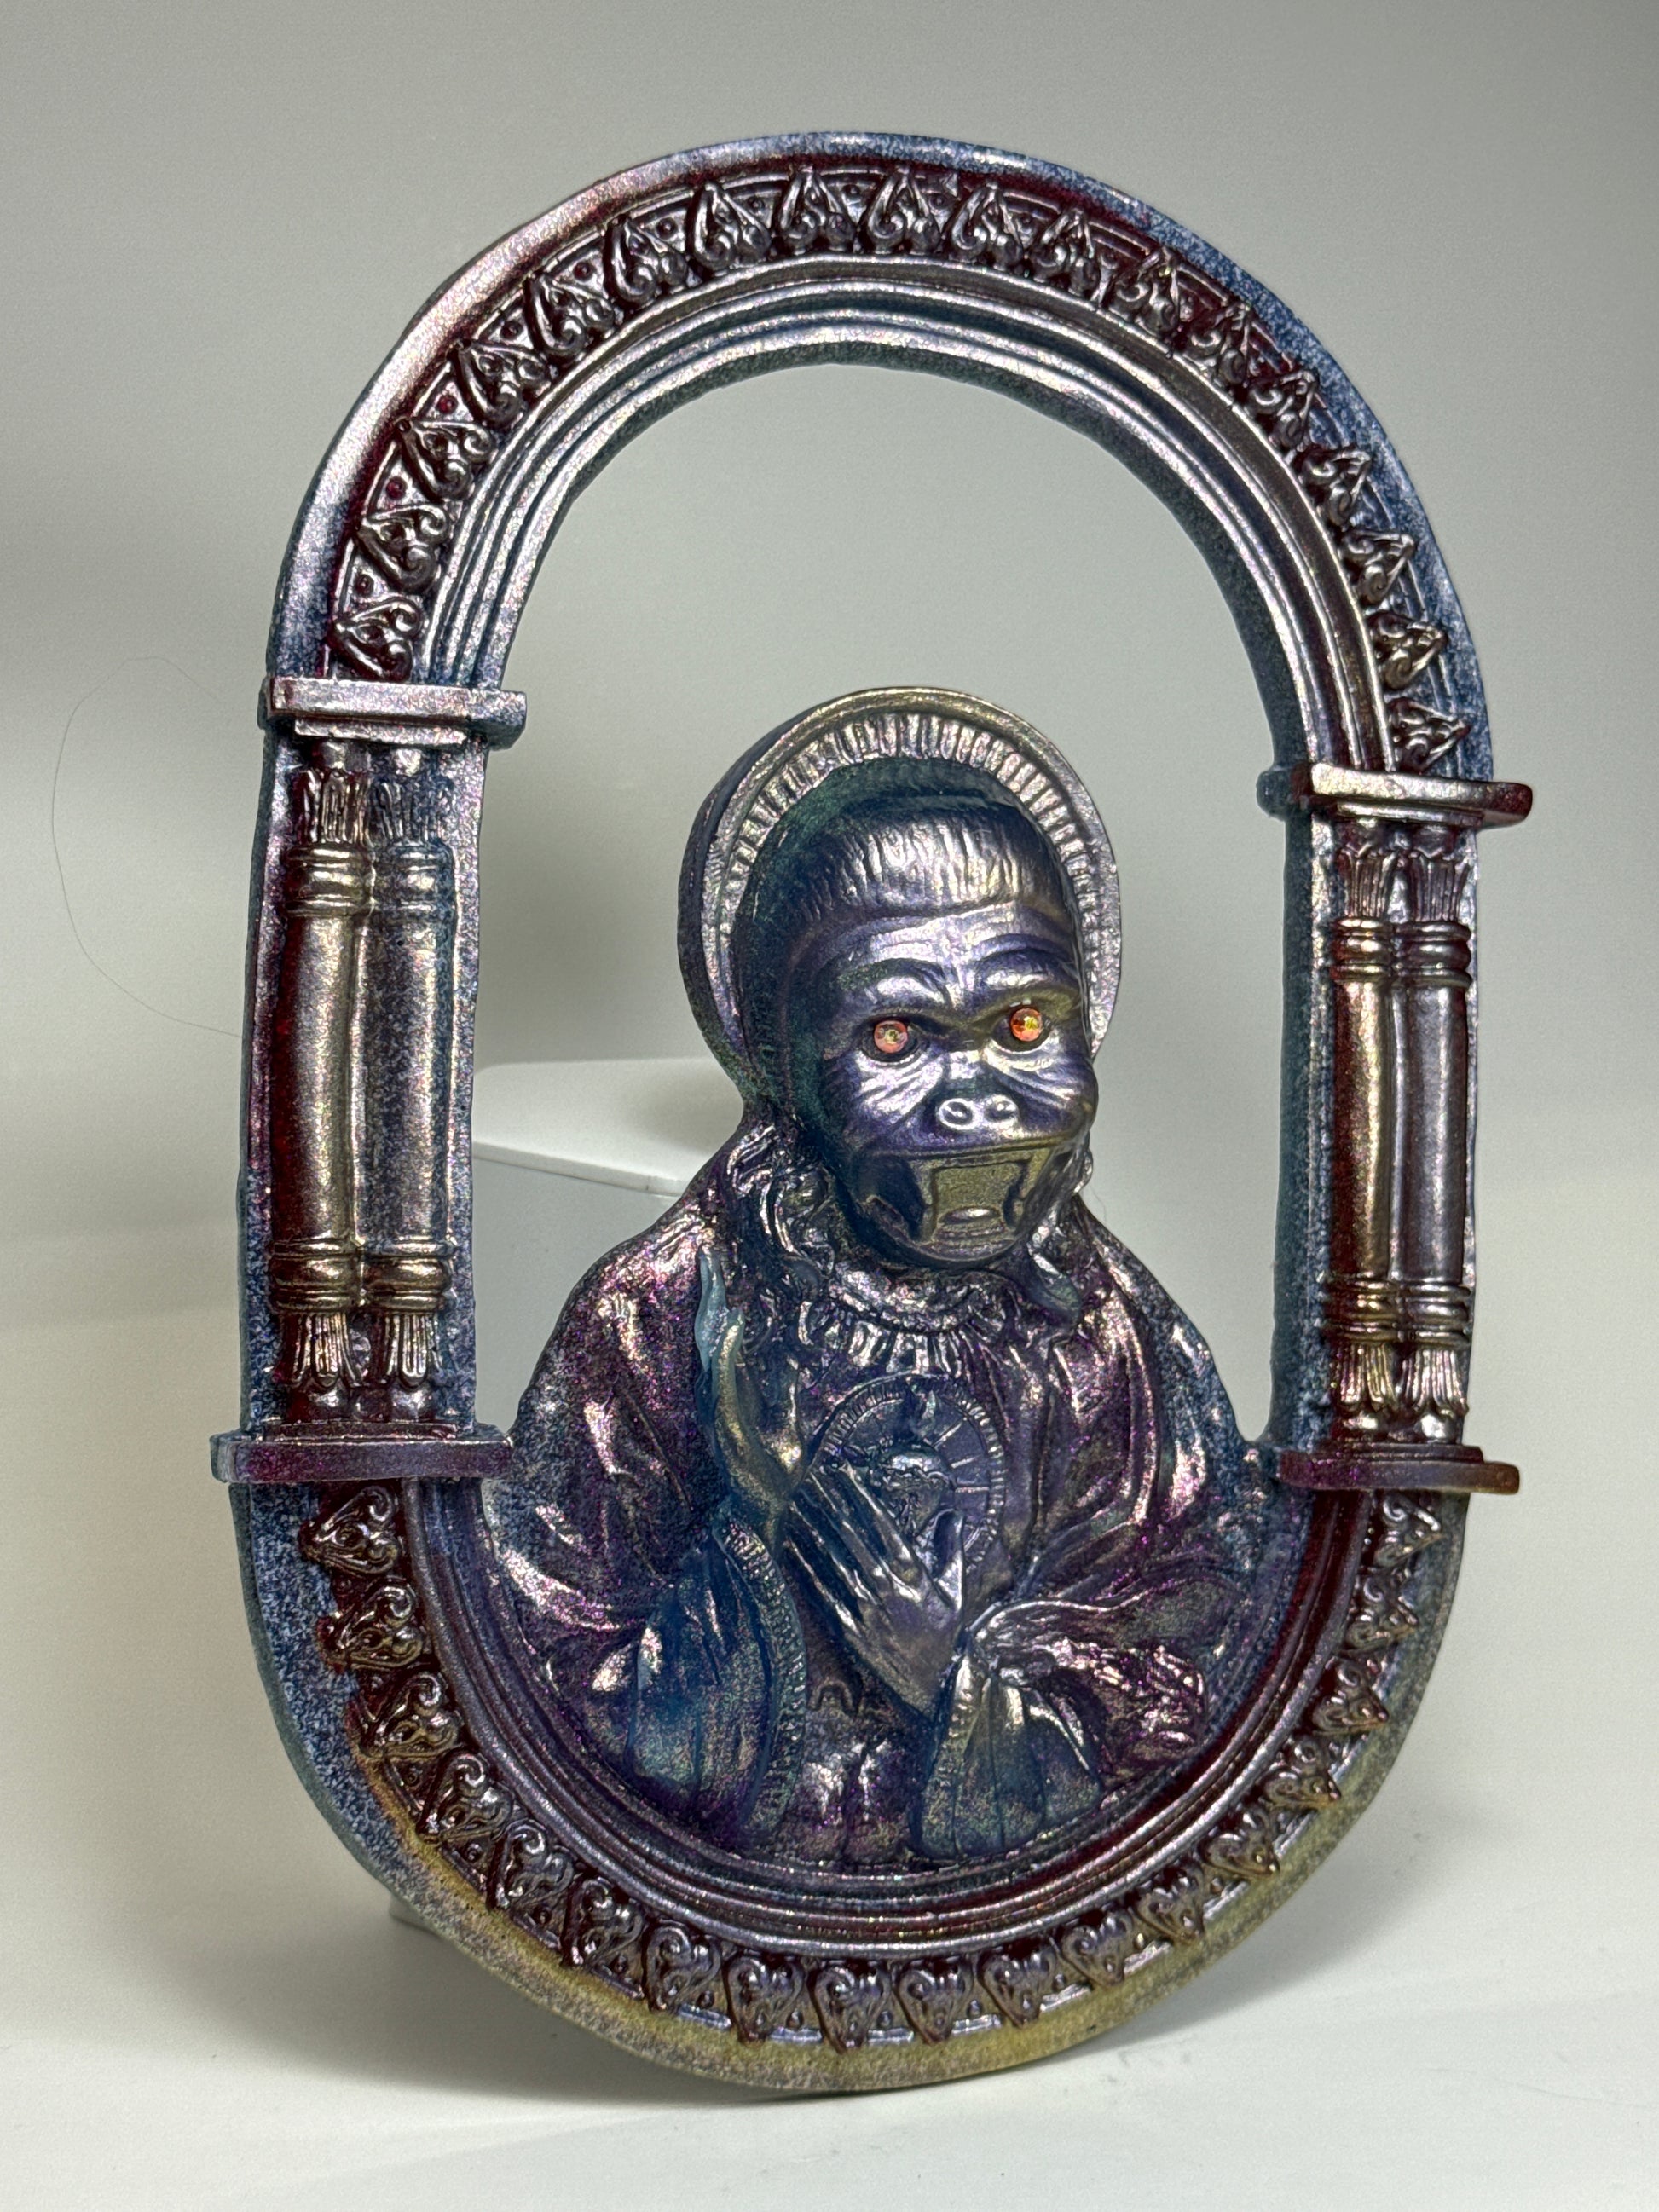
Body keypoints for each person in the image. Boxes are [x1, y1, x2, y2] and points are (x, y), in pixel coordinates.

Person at [488, 693, 1265, 1867]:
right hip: (722, 1890)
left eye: (1021, 1024)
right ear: (787, 1063)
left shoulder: (1109, 1342)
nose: (975, 1101)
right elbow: (550, 1660)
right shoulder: (660, 1318)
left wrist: (952, 1670)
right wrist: (763, 1565)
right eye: (896, 1037)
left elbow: (1194, 1639)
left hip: (1016, 1896)